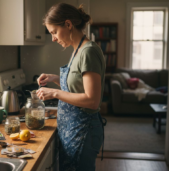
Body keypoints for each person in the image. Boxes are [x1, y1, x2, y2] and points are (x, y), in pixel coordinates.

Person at [36, 3, 106, 171]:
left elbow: (91, 100)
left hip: (83, 130)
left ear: (68, 25)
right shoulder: (77, 50)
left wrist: (54, 92)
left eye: (54, 32)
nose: (53, 38)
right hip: (72, 129)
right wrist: (54, 79)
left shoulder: (88, 51)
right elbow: (77, 88)